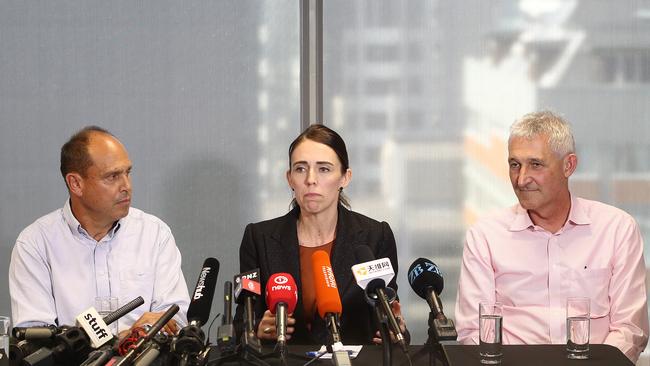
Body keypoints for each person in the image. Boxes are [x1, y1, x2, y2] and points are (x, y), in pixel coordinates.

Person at [455, 111, 649, 362]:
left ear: (568, 165)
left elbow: (630, 329)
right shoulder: (485, 236)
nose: (522, 179)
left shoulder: (617, 229)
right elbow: (473, 333)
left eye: (535, 164)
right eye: (515, 164)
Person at [234, 124, 408, 345]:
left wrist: (395, 331)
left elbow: (389, 315)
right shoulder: (259, 238)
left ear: (345, 177)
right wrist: (256, 329)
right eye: (300, 169)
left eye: (324, 169)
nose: (311, 179)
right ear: (289, 178)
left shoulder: (375, 236)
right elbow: (240, 325)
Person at [9, 126, 190, 335]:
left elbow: (175, 319)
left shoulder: (154, 234)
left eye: (127, 173)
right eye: (112, 176)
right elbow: (34, 337)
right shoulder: (35, 244)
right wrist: (123, 339)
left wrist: (141, 335)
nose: (127, 186)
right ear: (76, 184)